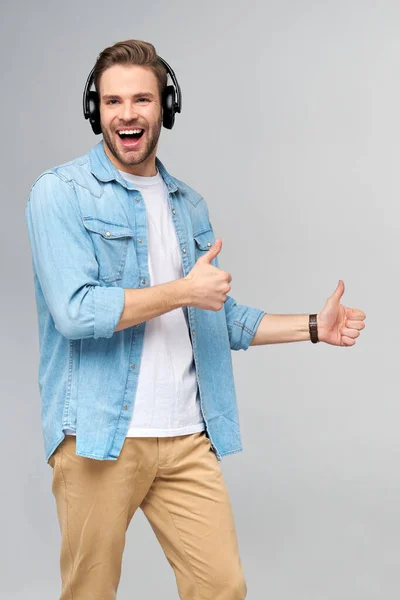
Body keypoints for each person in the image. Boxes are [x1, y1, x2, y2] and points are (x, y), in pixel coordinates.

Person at [25, 39, 366, 600]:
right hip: (99, 438)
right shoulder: (59, 193)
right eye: (112, 101)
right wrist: (183, 290)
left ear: (166, 106)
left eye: (141, 99)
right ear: (96, 110)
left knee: (222, 588)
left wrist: (312, 326)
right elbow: (76, 311)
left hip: (185, 437)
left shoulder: (188, 206)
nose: (127, 114)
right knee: (89, 593)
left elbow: (220, 318)